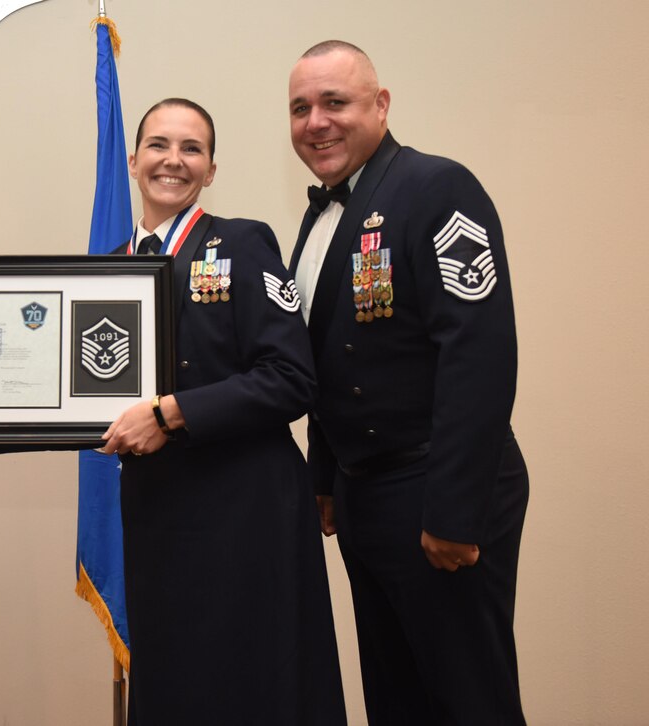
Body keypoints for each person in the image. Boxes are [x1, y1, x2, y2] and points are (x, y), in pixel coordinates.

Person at [286, 40, 530, 725]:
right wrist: (328, 476)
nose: (316, 122)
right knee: (398, 702)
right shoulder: (321, 215)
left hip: (437, 493)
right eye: (301, 108)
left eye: (335, 102)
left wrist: (454, 511)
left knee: (467, 701)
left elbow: (478, 355)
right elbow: (334, 356)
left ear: (381, 105)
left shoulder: (436, 187)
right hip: (369, 498)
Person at [99, 98, 346, 725]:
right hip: (160, 510)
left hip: (246, 509)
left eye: (191, 149)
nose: (172, 161)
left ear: (210, 170)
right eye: (158, 145)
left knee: (251, 682)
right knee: (175, 678)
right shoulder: (110, 270)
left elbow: (292, 379)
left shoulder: (241, 242)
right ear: (133, 161)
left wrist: (172, 413)